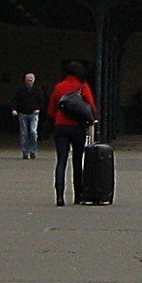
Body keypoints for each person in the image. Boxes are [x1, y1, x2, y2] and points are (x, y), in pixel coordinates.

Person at [48, 61, 99, 205]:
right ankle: (78, 194)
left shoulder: (59, 86)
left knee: (61, 160)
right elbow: (91, 105)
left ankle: (59, 195)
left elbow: (51, 109)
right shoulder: (83, 86)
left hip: (61, 127)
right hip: (77, 127)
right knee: (77, 161)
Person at [13, 72, 42, 159]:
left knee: (33, 132)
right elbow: (16, 100)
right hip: (23, 113)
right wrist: (14, 109)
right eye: (28, 80)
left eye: (31, 80)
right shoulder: (20, 90)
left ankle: (33, 151)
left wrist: (38, 108)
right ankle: (25, 152)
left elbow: (41, 100)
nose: (29, 81)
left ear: (34, 80)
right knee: (24, 133)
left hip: (34, 113)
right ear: (25, 80)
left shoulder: (37, 89)